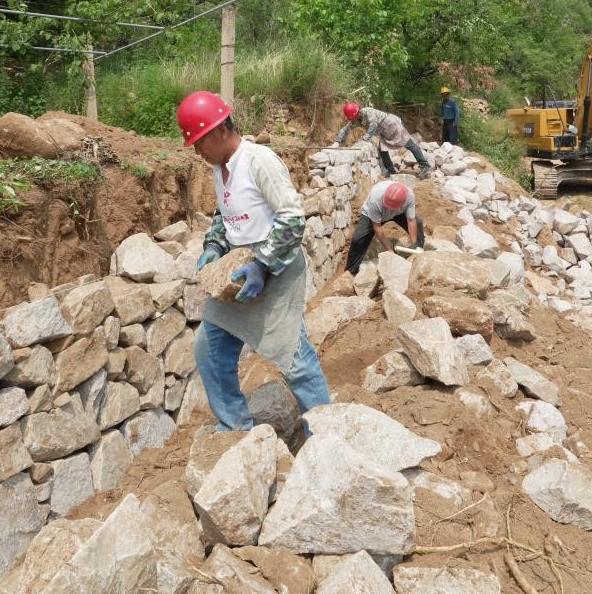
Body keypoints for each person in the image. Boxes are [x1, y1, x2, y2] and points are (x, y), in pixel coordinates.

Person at [177, 91, 331, 432]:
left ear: (221, 131)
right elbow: (224, 213)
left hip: (276, 271)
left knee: (293, 358)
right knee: (209, 347)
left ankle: (326, 433)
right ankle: (235, 427)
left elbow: (292, 218)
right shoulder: (219, 168)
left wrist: (262, 265)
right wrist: (215, 245)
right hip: (240, 272)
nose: (197, 151)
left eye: (199, 142)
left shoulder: (258, 160)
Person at [332, 102, 432, 179]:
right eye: (352, 118)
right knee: (382, 150)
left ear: (357, 112)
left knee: (408, 143)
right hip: (383, 130)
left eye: (354, 117)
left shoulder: (367, 111)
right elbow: (345, 129)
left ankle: (425, 166)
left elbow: (374, 124)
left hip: (390, 124)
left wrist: (366, 138)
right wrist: (337, 141)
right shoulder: (356, 120)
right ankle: (391, 171)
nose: (353, 119)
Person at [345, 181, 425, 275]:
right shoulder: (375, 199)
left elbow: (411, 220)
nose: (390, 209)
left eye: (392, 207)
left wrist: (414, 244)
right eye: (389, 206)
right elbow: (377, 228)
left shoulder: (409, 196)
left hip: (398, 212)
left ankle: (418, 250)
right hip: (376, 213)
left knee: (418, 222)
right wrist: (389, 250)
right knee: (357, 240)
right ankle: (351, 272)